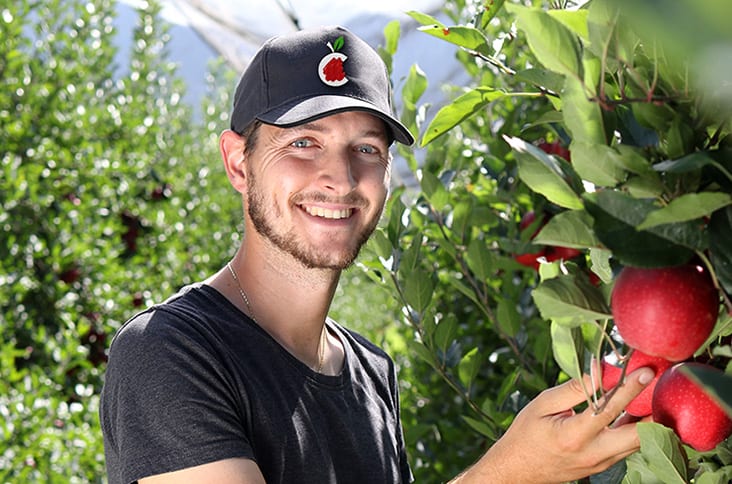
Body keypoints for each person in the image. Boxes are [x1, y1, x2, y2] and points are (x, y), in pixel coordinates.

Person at [99, 25, 654, 484]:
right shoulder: (169, 353)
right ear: (239, 163)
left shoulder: (369, 371)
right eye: (303, 143)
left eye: (365, 148)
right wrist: (512, 473)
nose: (340, 178)